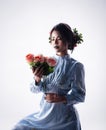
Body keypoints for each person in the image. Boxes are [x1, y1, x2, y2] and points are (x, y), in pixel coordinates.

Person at [12, 23, 86, 130]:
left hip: (65, 120)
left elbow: (80, 96)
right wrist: (37, 79)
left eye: (59, 38)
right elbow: (34, 89)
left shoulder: (76, 66)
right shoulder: (45, 61)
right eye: (52, 39)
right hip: (43, 116)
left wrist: (61, 98)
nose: (55, 42)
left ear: (68, 40)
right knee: (18, 127)